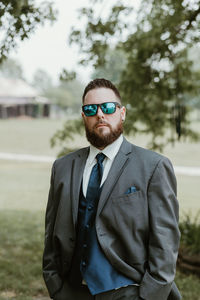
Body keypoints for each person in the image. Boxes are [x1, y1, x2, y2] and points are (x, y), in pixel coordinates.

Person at [43, 78, 181, 300]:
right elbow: (51, 233)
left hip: (129, 290)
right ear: (83, 116)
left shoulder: (153, 166)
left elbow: (165, 241)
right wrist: (55, 285)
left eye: (108, 107)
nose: (100, 114)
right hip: (72, 291)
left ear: (122, 112)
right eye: (91, 109)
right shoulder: (62, 167)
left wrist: (149, 295)